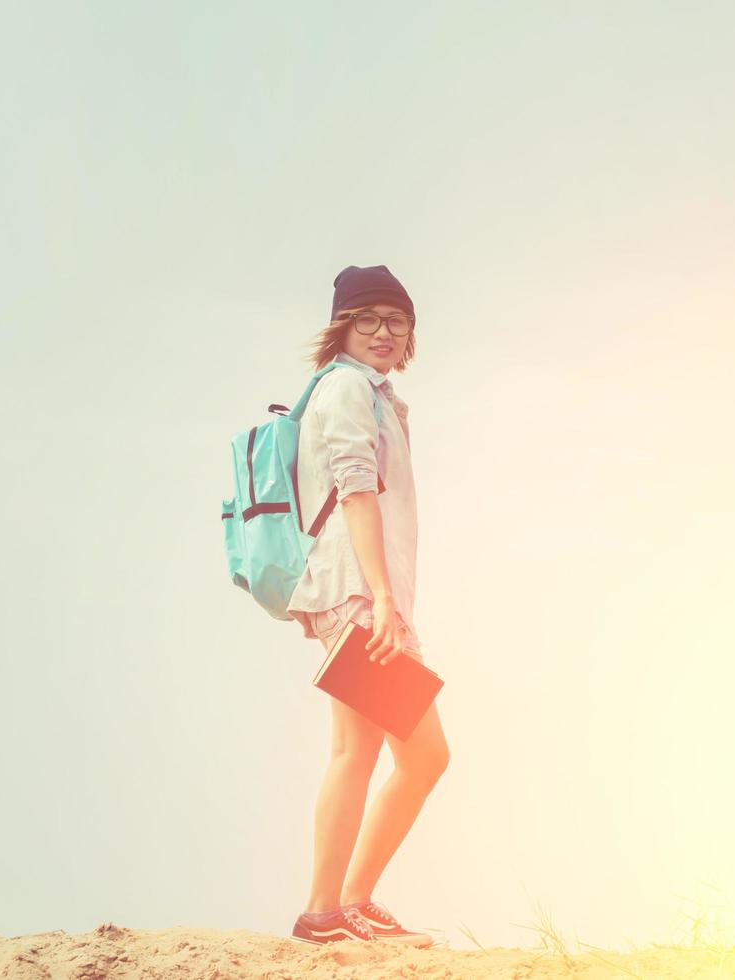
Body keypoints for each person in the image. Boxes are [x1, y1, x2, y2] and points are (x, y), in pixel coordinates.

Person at [286, 265, 450, 947]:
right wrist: (382, 601)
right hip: (358, 594)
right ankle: (329, 908)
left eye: (397, 319)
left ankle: (342, 904)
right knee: (407, 754)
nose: (385, 332)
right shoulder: (349, 388)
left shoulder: (368, 392)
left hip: (360, 593)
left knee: (367, 749)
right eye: (368, 319)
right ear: (342, 329)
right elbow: (355, 489)